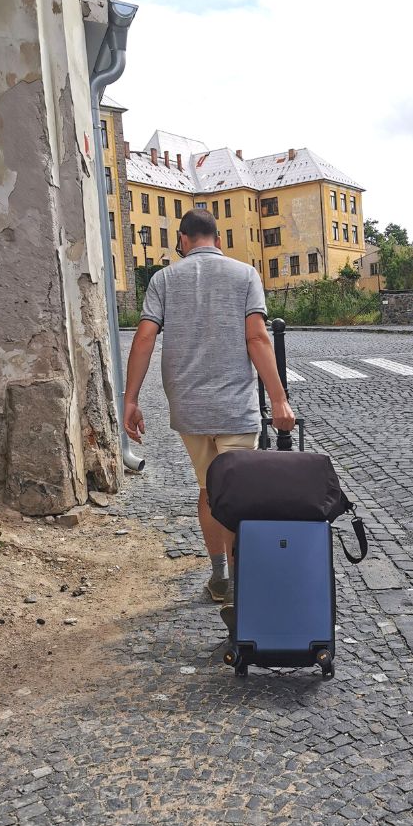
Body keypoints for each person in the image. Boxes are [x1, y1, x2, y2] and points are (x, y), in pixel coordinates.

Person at [123, 208, 295, 626]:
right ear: (217, 239)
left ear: (183, 240)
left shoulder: (164, 280)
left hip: (189, 406)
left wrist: (130, 399)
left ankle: (220, 578)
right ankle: (241, 583)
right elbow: (256, 336)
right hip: (235, 405)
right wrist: (279, 400)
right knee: (240, 494)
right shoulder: (244, 275)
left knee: (209, 488)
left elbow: (145, 337)